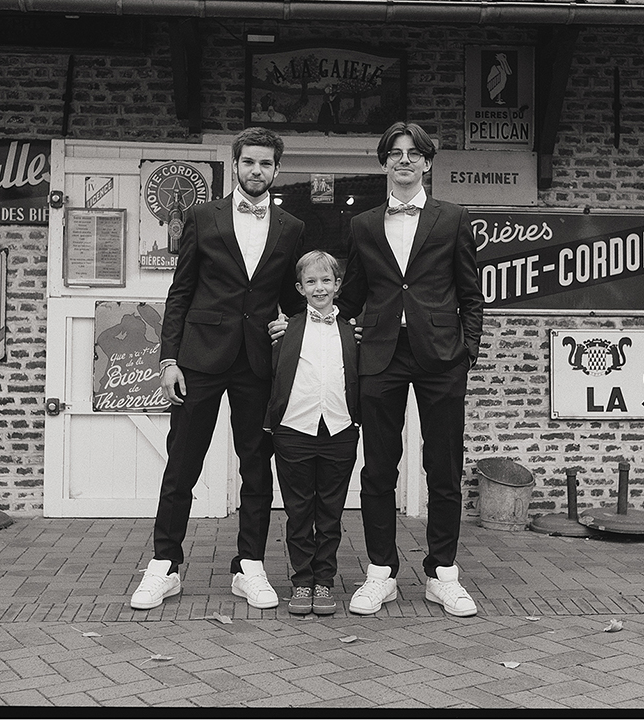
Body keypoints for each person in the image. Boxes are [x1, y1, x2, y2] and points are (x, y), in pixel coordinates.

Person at [130, 127, 305, 611]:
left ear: (277, 169)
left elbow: (290, 298)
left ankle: (249, 565)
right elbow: (180, 292)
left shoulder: (291, 227)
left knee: (256, 466)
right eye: (249, 162)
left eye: (266, 164)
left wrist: (291, 324)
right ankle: (164, 565)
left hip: (257, 363)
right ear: (236, 165)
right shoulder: (202, 217)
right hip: (199, 359)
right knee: (183, 463)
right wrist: (168, 359)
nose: (257, 171)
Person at [336, 121, 483, 617]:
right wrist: (337, 329)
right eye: (395, 152)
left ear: (426, 162)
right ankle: (381, 572)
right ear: (384, 162)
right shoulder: (362, 224)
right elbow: (352, 293)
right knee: (378, 467)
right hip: (380, 354)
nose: (404, 160)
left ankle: (443, 573)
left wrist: (468, 352)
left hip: (441, 355)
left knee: (442, 468)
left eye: (413, 153)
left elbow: (471, 294)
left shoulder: (453, 218)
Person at [264, 251, 360, 616]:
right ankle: (302, 581)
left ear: (337, 285)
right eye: (311, 282)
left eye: (326, 281)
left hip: (339, 427)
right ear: (300, 288)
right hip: (294, 429)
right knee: (299, 510)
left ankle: (325, 581)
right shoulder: (286, 330)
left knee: (331, 512)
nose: (319, 287)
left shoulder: (352, 330)